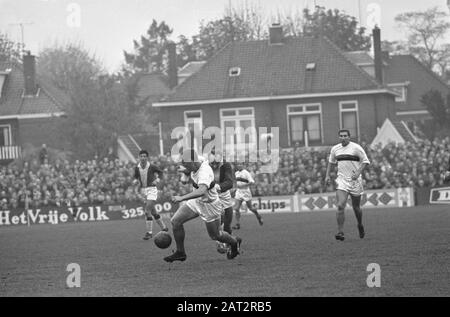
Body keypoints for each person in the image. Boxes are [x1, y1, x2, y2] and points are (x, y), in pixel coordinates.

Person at [165, 149, 241, 263]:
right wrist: (184, 169)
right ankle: (180, 252)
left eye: (185, 163)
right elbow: (192, 171)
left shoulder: (204, 172)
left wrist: (181, 198)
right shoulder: (198, 161)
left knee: (216, 236)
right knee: (175, 221)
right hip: (197, 201)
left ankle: (234, 242)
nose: (184, 166)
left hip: (210, 205)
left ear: (192, 161)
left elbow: (201, 191)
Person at [325, 130, 370, 241]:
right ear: (339, 137)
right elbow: (331, 162)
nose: (343, 138)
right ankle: (340, 232)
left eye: (345, 136)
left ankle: (360, 225)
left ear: (349, 137)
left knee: (356, 207)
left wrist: (358, 172)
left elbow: (365, 161)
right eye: (341, 136)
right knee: (340, 205)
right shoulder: (335, 149)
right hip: (342, 180)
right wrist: (327, 176)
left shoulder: (356, 148)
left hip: (355, 181)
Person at [133, 149, 168, 240]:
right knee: (153, 212)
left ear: (147, 157)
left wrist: (157, 180)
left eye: (145, 156)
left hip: (152, 189)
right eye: (141, 156)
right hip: (143, 191)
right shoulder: (137, 168)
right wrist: (136, 181)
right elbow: (136, 177)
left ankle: (149, 233)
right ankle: (164, 227)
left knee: (147, 211)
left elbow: (161, 173)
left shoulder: (152, 166)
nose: (143, 158)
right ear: (139, 157)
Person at [208, 150, 235, 254]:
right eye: (212, 163)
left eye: (216, 163)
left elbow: (229, 182)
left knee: (228, 225)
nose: (214, 165)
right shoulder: (205, 166)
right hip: (212, 196)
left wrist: (218, 187)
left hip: (224, 194)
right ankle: (220, 241)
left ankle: (229, 243)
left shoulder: (226, 166)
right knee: (219, 219)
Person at [233, 162, 263, 230]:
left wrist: (243, 185)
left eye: (240, 164)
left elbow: (252, 182)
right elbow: (237, 182)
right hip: (239, 191)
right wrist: (235, 188)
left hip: (246, 192)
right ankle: (237, 224)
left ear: (243, 165)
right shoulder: (236, 173)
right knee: (236, 208)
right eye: (238, 164)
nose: (239, 165)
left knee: (251, 208)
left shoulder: (246, 173)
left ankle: (258, 216)